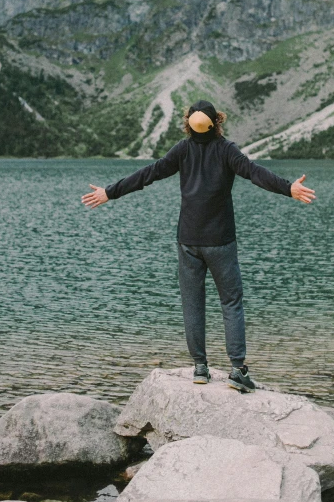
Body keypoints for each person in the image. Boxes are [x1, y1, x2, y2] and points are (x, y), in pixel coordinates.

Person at [81, 99, 316, 393]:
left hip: (189, 241)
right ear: (218, 122)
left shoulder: (182, 150)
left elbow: (148, 174)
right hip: (220, 241)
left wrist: (109, 192)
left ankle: (200, 369)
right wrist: (288, 188)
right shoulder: (226, 150)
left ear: (188, 123)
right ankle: (237, 371)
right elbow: (254, 173)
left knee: (193, 304)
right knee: (231, 302)